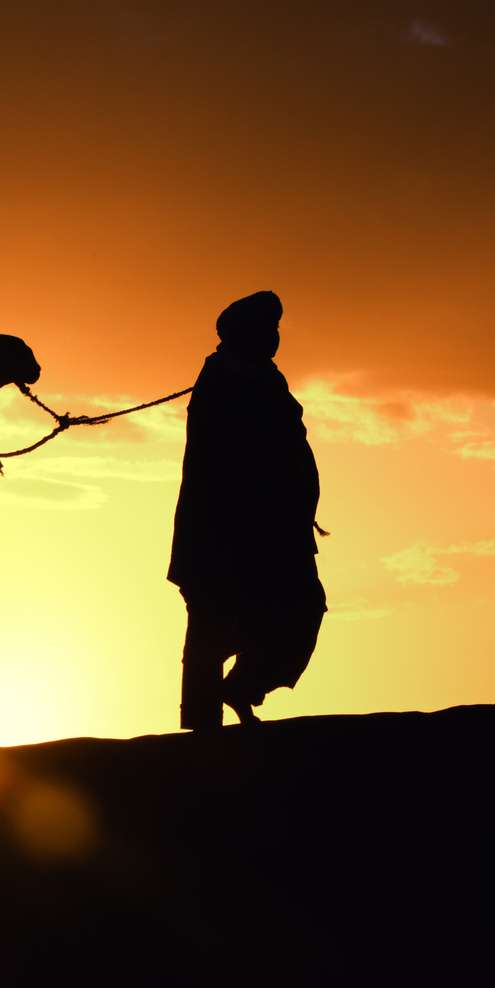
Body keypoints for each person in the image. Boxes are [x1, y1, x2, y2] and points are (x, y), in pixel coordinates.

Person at [169, 291, 326, 730]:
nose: (274, 338)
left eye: (275, 330)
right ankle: (202, 727)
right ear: (247, 336)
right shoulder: (224, 383)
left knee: (299, 610)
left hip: (278, 532)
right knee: (213, 626)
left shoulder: (265, 381)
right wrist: (271, 505)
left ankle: (239, 691)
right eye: (266, 330)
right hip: (226, 535)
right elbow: (223, 460)